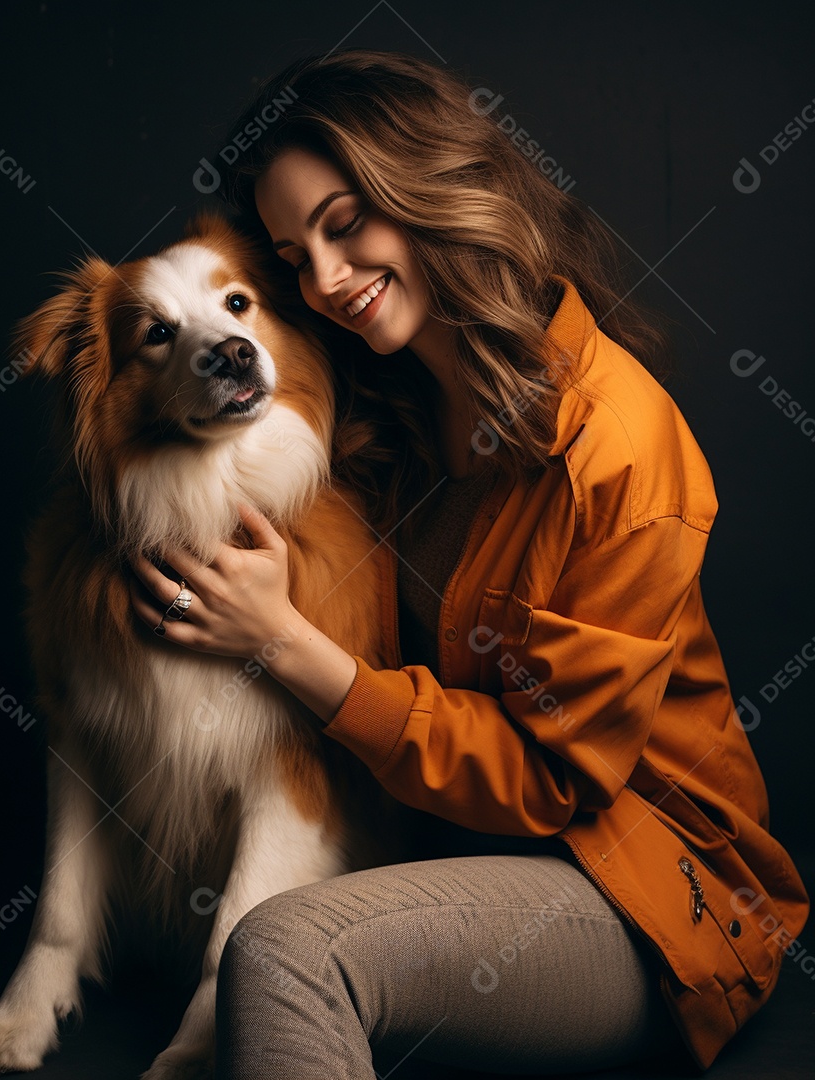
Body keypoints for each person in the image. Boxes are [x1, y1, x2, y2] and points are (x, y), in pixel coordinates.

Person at [130, 50, 809, 1078]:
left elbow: (552, 779)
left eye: (344, 221)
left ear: (431, 184)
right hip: (455, 854)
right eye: (292, 253)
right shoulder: (383, 405)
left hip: (642, 890)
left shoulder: (620, 445)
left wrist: (282, 644)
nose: (323, 279)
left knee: (282, 955)